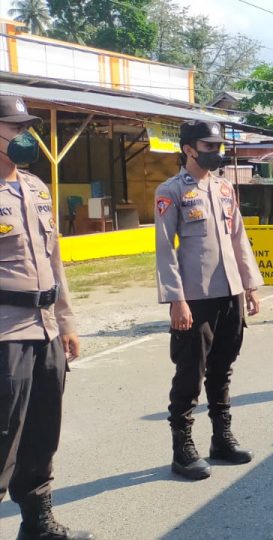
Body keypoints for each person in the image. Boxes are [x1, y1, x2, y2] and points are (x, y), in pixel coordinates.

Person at [0, 96, 93, 540]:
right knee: (2, 437)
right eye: (13, 126)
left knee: (42, 429)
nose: (23, 135)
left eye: (26, 126)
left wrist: (67, 322)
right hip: (4, 334)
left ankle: (37, 522)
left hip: (45, 328)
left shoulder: (36, 187)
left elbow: (54, 262)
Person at [155, 120, 263, 481]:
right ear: (188, 148)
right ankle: (182, 449)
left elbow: (239, 238)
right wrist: (176, 300)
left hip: (229, 291)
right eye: (207, 145)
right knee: (190, 371)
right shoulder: (170, 191)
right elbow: (165, 251)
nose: (214, 151)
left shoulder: (224, 188)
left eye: (218, 145)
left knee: (223, 367)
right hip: (195, 297)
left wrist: (249, 285)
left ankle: (221, 439)